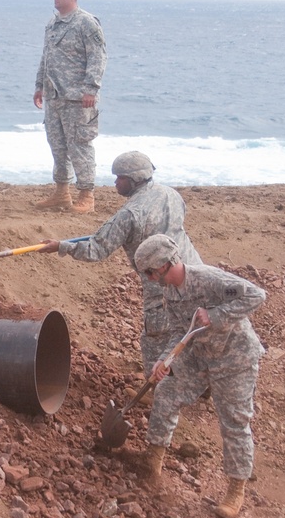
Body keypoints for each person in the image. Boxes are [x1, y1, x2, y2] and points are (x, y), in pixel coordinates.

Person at [133, 234, 267, 518]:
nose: (149, 278)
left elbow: (255, 295)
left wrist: (217, 315)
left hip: (235, 358)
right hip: (200, 356)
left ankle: (235, 489)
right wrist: (164, 359)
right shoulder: (170, 292)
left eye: (149, 272)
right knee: (167, 391)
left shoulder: (210, 280)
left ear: (164, 265)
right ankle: (153, 459)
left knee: (234, 421)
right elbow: (179, 332)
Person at [37, 151, 202, 377]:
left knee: (155, 336)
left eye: (120, 178)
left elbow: (96, 249)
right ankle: (201, 381)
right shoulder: (171, 194)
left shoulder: (129, 214)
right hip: (194, 271)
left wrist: (61, 246)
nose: (115, 182)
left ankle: (156, 388)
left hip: (162, 285)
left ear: (134, 179)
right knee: (193, 327)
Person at [33, 0, 107, 214]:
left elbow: (97, 57)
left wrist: (91, 89)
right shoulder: (52, 24)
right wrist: (39, 86)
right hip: (55, 97)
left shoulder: (86, 23)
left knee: (80, 145)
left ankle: (86, 195)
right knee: (58, 145)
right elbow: (46, 58)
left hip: (77, 97)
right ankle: (61, 192)